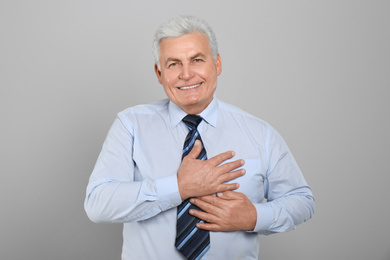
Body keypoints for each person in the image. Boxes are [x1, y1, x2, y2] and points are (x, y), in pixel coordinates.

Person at [84, 15, 315, 260]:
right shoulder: (130, 125)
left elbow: (302, 201)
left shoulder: (260, 133)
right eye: (173, 64)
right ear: (159, 73)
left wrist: (255, 217)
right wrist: (178, 187)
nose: (186, 74)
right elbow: (98, 204)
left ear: (217, 64)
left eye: (197, 60)